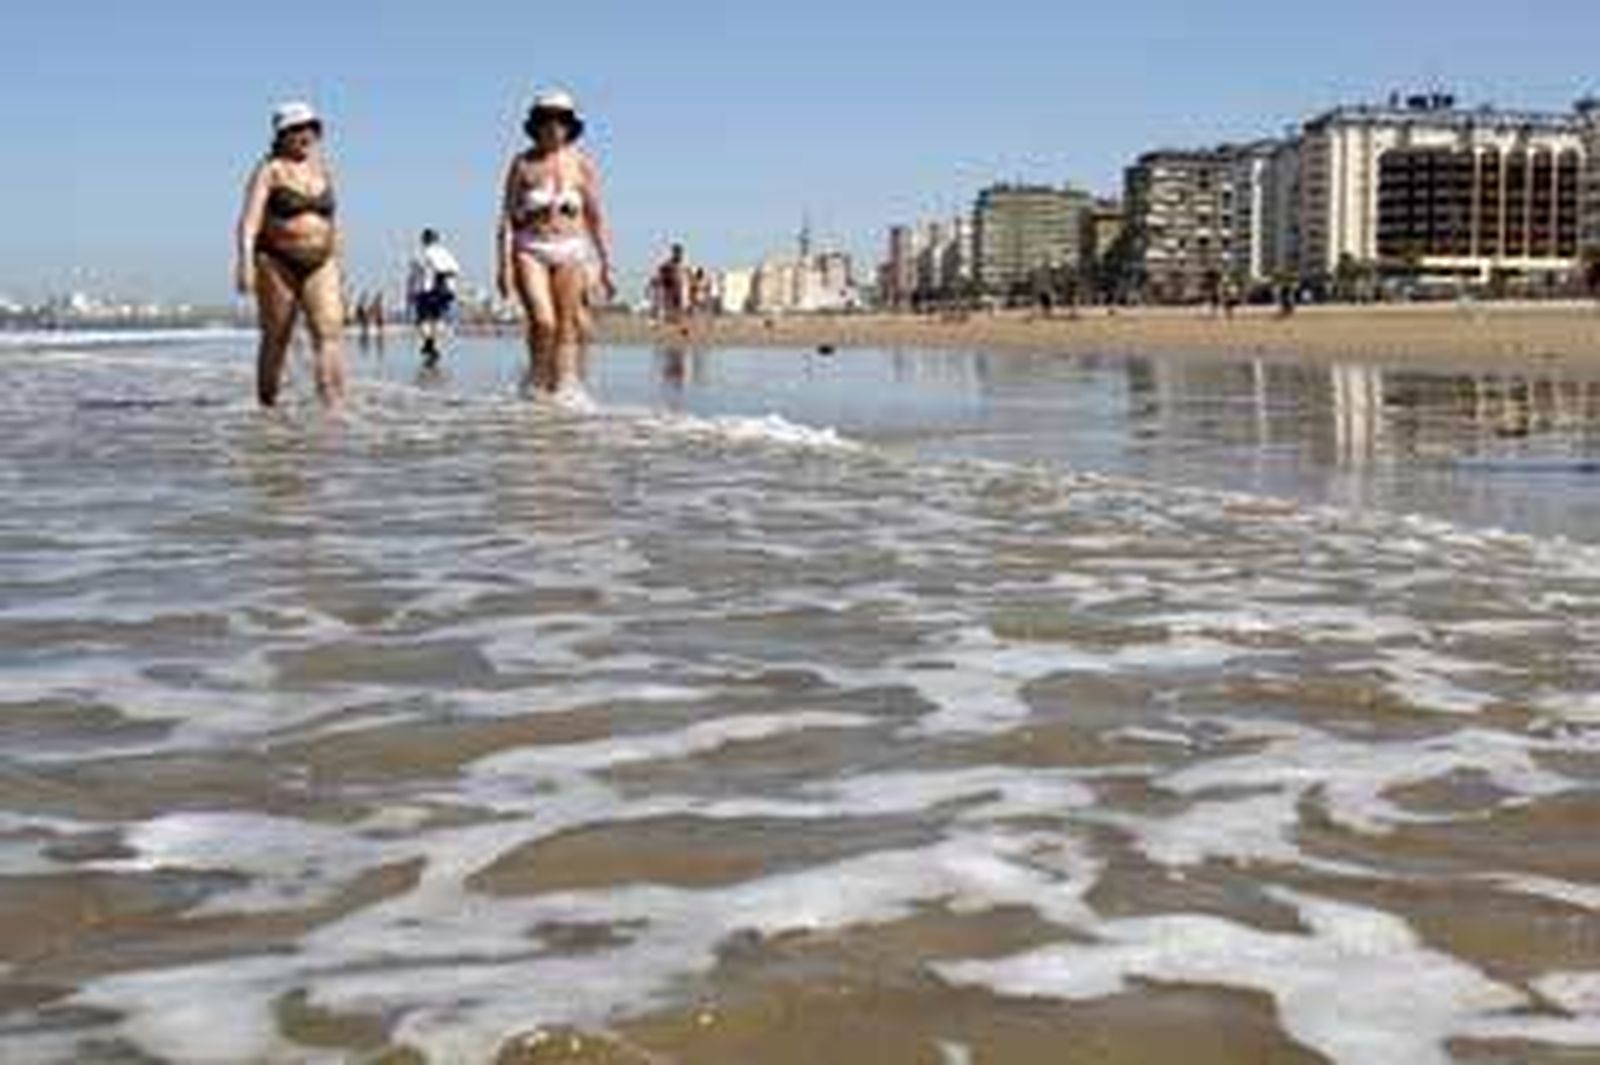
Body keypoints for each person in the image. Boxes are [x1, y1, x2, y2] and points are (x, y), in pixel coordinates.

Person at [496, 89, 615, 398]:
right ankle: (536, 382)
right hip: (530, 249)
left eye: (561, 120)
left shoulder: (581, 164)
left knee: (566, 324)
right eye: (546, 120)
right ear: (535, 125)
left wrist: (605, 266)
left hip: (571, 249)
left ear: (570, 126)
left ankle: (564, 390)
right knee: (543, 321)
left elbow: (595, 218)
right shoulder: (522, 164)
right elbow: (506, 218)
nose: (553, 126)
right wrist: (503, 265)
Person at [235, 101, 348, 409]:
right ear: (281, 134)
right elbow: (249, 221)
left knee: (330, 332)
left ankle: (334, 407)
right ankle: (267, 408)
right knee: (277, 337)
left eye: (311, 127)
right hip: (276, 259)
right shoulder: (270, 170)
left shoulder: (323, 169)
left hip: (321, 261)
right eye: (296, 129)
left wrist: (339, 261)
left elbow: (332, 221)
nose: (305, 134)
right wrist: (244, 262)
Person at [408, 229, 461, 366]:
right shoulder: (445, 253)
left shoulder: (419, 255)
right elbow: (456, 269)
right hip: (444, 291)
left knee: (422, 320)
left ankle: (429, 343)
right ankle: (433, 345)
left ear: (424, 240)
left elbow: (413, 276)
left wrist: (410, 294)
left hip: (425, 291)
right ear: (436, 240)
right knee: (438, 319)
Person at [653, 244, 688, 325]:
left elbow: (685, 274)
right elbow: (660, 271)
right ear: (673, 253)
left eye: (679, 252)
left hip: (678, 287)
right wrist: (660, 281)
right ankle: (666, 319)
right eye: (677, 252)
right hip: (670, 287)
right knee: (668, 304)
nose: (679, 254)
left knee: (679, 306)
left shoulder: (682, 264)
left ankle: (678, 321)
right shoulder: (668, 263)